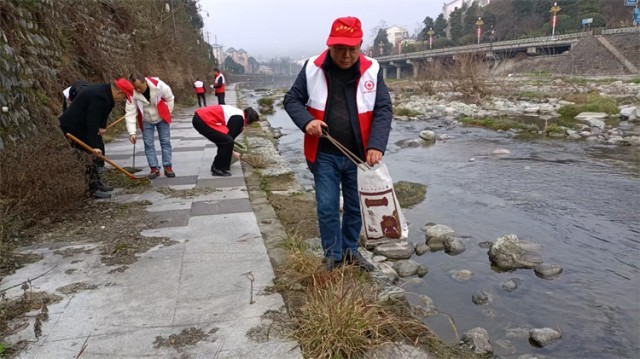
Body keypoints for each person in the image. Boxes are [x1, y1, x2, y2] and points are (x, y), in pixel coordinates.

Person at [283, 16, 392, 272]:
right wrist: (307, 121)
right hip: (323, 153)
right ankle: (332, 254)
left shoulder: (372, 69)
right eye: (339, 49)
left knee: (356, 206)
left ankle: (351, 250)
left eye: (351, 49)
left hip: (360, 156)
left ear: (360, 45)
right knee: (327, 205)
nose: (345, 55)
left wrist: (376, 145)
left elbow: (383, 109)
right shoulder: (312, 67)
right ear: (329, 45)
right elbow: (291, 100)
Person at [59, 78, 134, 199]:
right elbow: (91, 122)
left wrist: (102, 127)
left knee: (98, 152)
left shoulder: (108, 95)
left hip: (84, 126)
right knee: (89, 156)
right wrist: (94, 146)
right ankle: (92, 189)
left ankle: (98, 183)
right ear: (119, 92)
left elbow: (105, 112)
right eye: (125, 97)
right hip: (73, 127)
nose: (124, 100)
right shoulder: (99, 96)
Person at [125, 74, 176, 179]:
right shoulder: (131, 93)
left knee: (165, 142)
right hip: (146, 120)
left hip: (161, 117)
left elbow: (170, 98)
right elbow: (130, 113)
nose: (138, 90)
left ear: (145, 82)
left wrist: (168, 112)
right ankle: (154, 168)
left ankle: (168, 166)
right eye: (135, 87)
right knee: (148, 144)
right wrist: (132, 133)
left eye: (139, 87)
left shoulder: (159, 85)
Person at [192, 105, 259, 176]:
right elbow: (228, 140)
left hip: (201, 118)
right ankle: (217, 168)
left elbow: (227, 139)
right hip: (203, 119)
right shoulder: (238, 119)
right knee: (227, 142)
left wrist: (231, 151)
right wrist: (233, 153)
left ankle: (218, 167)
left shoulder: (239, 116)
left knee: (225, 141)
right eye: (253, 123)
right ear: (249, 120)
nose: (251, 125)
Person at [62, 80, 108, 173]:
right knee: (81, 146)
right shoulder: (68, 97)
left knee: (97, 140)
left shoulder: (93, 94)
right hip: (76, 124)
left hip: (93, 118)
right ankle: (85, 168)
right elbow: (68, 114)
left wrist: (99, 126)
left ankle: (100, 165)